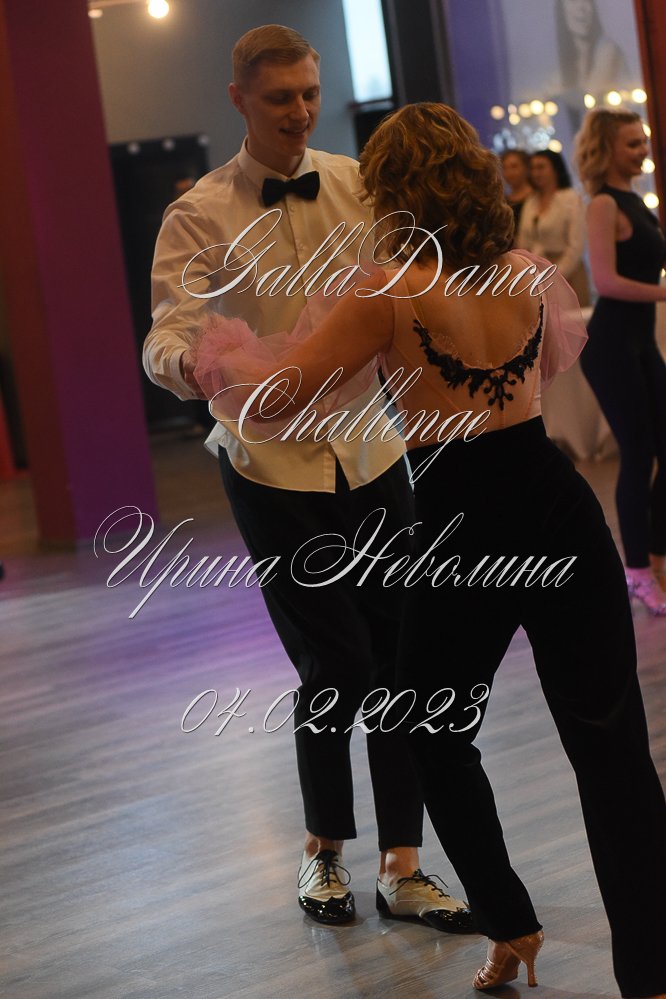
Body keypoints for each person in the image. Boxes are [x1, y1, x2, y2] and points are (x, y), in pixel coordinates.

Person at [196, 102, 666, 998]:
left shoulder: (388, 291)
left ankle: (511, 921)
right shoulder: (527, 273)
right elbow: (544, 374)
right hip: (556, 505)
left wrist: (212, 358)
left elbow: (280, 397)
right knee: (611, 745)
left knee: (427, 730)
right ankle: (653, 970)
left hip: (461, 522)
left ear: (391, 192)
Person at [143, 25, 473, 932]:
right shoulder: (199, 214)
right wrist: (191, 366)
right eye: (279, 97)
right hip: (269, 461)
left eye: (308, 94)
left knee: (402, 658)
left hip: (372, 448)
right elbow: (167, 330)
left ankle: (403, 864)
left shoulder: (361, 186)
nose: (299, 111)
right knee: (337, 660)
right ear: (239, 99)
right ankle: (323, 849)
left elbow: (411, 284)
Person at [574, 107, 666, 614]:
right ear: (606, 150)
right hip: (610, 344)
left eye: (643, 141)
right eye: (632, 144)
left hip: (640, 342)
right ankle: (638, 571)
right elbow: (605, 282)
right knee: (638, 453)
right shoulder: (604, 204)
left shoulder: (636, 202)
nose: (643, 151)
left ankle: (656, 556)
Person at [517, 148, 590, 305]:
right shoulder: (531, 201)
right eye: (533, 168)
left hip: (568, 273)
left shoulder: (571, 198)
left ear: (555, 169)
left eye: (541, 167)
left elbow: (576, 245)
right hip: (537, 273)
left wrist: (555, 275)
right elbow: (524, 241)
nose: (536, 173)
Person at [556, 0, 628, 133]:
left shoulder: (608, 50)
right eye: (573, 1)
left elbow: (591, 97)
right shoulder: (566, 63)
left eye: (587, 1)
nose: (581, 8)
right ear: (561, 9)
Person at [500, 149, 533, 229]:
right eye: (505, 168)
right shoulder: (503, 201)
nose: (509, 172)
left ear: (526, 168)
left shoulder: (536, 198)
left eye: (514, 166)